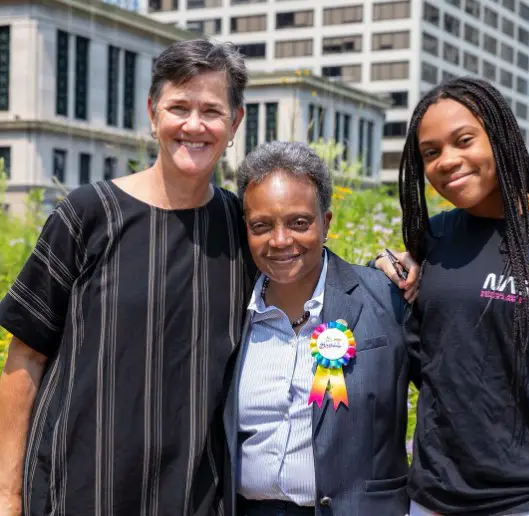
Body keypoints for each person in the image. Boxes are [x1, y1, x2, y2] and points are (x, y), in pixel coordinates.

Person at [0, 39, 256, 515]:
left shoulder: (242, 230)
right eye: (179, 107)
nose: (194, 125)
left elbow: (314, 282)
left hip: (192, 498)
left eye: (212, 111)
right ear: (152, 112)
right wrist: (6, 497)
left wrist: (394, 267)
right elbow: (25, 359)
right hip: (76, 492)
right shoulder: (88, 214)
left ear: (235, 122)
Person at [376, 76, 529, 515]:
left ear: (501, 135)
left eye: (464, 140)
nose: (447, 161)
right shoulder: (433, 239)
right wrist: (387, 268)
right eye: (430, 153)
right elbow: (431, 362)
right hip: (433, 498)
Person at [223, 141, 412, 516]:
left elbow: (455, 391)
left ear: (326, 222)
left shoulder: (387, 298)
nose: (280, 240)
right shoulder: (225, 311)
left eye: (299, 223)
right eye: (262, 226)